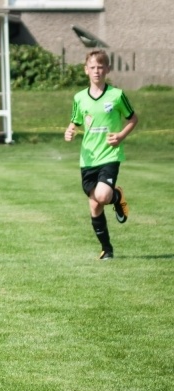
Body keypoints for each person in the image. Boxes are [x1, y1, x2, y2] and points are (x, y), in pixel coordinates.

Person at [65, 48, 138, 260]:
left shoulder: (117, 95)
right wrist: (70, 131)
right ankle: (107, 248)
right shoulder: (79, 98)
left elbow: (133, 119)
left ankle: (115, 196)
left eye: (100, 67)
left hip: (109, 155)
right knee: (95, 204)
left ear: (107, 69)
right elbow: (75, 122)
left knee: (103, 196)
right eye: (92, 67)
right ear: (86, 70)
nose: (96, 71)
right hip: (87, 159)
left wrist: (121, 136)